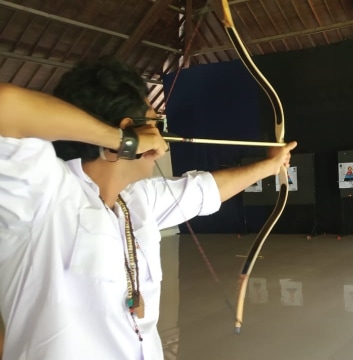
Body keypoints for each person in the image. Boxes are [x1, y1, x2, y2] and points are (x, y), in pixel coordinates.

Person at [0, 56, 297, 360]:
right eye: (155, 124)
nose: (162, 138)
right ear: (131, 130)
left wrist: (271, 166)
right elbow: (5, 106)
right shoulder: (43, 193)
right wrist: (121, 141)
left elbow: (205, 190)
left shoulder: (137, 200)